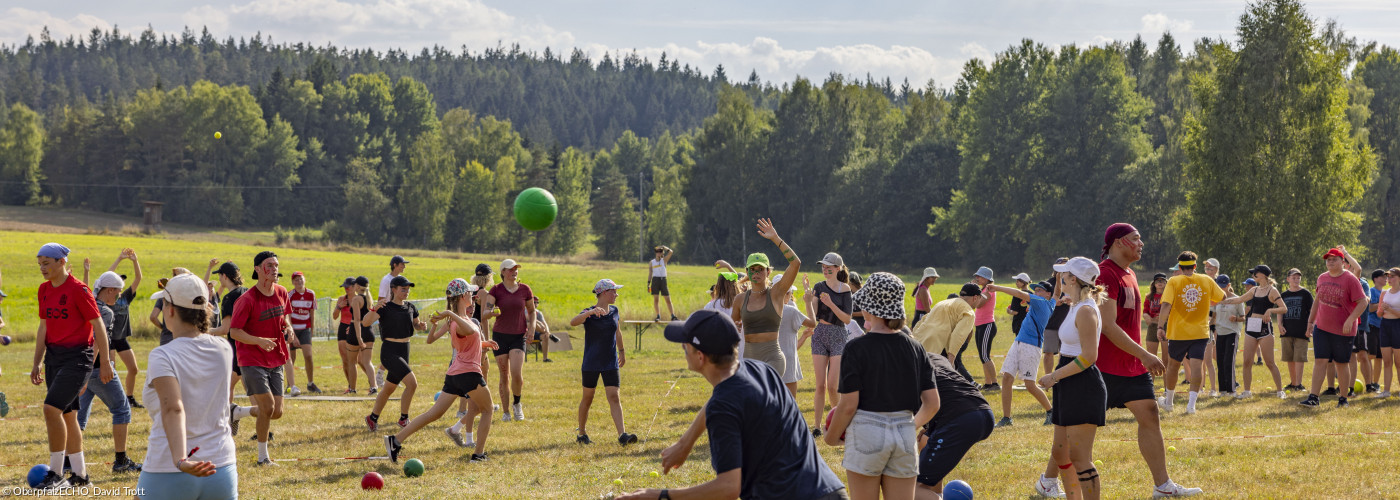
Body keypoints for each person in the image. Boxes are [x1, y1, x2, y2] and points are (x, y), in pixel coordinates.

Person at [1032, 223, 1200, 498]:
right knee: (1070, 434)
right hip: (1102, 366)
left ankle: (1163, 486)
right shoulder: (1107, 274)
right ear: (1118, 243)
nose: (1141, 243)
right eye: (1136, 238)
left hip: (1129, 366)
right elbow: (1108, 326)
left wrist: (1139, 358)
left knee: (1149, 414)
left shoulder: (1130, 273)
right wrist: (1145, 354)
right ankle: (1049, 480)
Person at [616, 310, 848, 500]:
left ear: (700, 357)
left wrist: (661, 495)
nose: (683, 349)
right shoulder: (759, 370)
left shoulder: (724, 405)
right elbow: (721, 400)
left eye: (684, 345)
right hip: (830, 491)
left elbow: (728, 488)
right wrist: (685, 443)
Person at [825, 272, 939, 500]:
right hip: (905, 434)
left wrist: (830, 437)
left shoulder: (856, 348)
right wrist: (908, 425)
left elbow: (848, 405)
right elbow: (933, 403)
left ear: (868, 308)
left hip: (866, 431)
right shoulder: (916, 348)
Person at [134, 273, 239, 499]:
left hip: (168, 469)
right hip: (221, 466)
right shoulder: (223, 348)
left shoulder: (162, 355)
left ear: (170, 310)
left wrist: (181, 460)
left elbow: (174, 407)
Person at [31, 243, 114, 489]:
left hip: (78, 357)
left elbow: (98, 326)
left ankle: (55, 474)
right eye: (40, 264)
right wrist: (37, 361)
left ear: (61, 262)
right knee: (68, 415)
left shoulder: (79, 290)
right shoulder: (44, 290)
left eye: (47, 263)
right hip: (54, 357)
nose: (42, 268)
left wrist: (106, 361)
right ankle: (80, 476)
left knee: (51, 409)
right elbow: (43, 327)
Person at [387, 279, 497, 464]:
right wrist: (449, 314)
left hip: (455, 374)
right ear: (463, 296)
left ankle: (395, 440)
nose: (473, 295)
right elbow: (469, 331)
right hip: (468, 373)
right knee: (487, 410)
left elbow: (464, 343)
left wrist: (484, 344)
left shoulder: (462, 320)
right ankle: (478, 455)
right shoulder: (458, 321)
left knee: (434, 414)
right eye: (470, 292)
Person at [1036, 257, 1107, 500]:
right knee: (1060, 453)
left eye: (1063, 274)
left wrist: (1054, 376)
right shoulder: (1077, 305)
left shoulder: (1086, 310)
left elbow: (1089, 357)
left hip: (1082, 383)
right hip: (1069, 379)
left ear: (1073, 279)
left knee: (1079, 457)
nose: (1059, 277)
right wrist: (1068, 301)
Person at [227, 251, 294, 466]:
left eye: (276, 265)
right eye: (269, 265)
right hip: (251, 358)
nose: (275, 269)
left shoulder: (282, 292)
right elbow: (234, 331)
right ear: (257, 269)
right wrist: (258, 341)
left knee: (276, 412)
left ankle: (237, 412)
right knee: (267, 407)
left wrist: (289, 328)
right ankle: (262, 457)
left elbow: (284, 317)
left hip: (276, 356)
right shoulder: (246, 300)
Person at [76, 270, 143, 473]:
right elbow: (96, 342)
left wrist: (82, 373)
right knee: (122, 410)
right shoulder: (105, 311)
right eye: (118, 292)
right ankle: (121, 461)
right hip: (96, 369)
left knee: (78, 417)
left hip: (82, 368)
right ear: (110, 289)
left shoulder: (87, 304)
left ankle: (69, 460)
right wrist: (92, 370)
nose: (119, 296)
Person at [914, 350, 993, 500]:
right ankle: (938, 494)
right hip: (983, 411)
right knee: (928, 449)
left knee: (910, 489)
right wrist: (930, 427)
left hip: (960, 419)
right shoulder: (935, 357)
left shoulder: (906, 369)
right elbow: (947, 389)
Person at [567, 279, 637, 445]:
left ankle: (622, 435)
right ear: (604, 293)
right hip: (591, 362)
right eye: (614, 291)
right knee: (588, 398)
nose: (616, 294)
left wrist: (622, 351)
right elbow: (573, 322)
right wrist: (589, 314)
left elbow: (618, 332)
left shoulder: (614, 311)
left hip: (610, 362)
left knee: (614, 396)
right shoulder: (589, 312)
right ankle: (582, 434)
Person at [732, 219, 802, 379]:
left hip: (774, 358)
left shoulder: (776, 293)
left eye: (760, 269)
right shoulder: (740, 299)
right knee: (752, 402)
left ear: (768, 272)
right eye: (752, 269)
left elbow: (795, 263)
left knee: (768, 399)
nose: (756, 273)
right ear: (747, 272)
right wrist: (734, 330)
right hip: (749, 359)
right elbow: (732, 331)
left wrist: (775, 238)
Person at [1156, 251, 1224, 415]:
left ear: (1179, 267)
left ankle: (1169, 402)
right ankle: (1191, 406)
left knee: (1173, 367)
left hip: (1178, 332)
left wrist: (1160, 326)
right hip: (1200, 332)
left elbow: (1165, 305)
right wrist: (1204, 302)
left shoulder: (1174, 281)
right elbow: (1220, 298)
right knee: (1196, 367)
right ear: (1195, 266)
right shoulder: (1206, 279)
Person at [1300, 247, 1369, 408]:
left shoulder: (1350, 279)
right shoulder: (1322, 278)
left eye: (1334, 259)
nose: (1330, 262)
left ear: (1342, 262)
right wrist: (1310, 322)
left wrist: (1351, 319)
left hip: (1343, 330)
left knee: (1341, 363)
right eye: (1328, 260)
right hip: (1322, 328)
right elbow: (1317, 301)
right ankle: (1313, 397)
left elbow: (1363, 302)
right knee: (1320, 361)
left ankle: (1343, 398)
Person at [984, 280, 1054, 427]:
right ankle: (1007, 418)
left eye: (1040, 290)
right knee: (1007, 378)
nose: (1036, 293)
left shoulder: (1042, 302)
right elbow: (1057, 295)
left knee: (1029, 385)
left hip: (1031, 346)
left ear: (1048, 294)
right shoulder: (1049, 302)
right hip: (1018, 342)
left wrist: (996, 287)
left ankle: (1050, 411)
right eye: (1035, 290)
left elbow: (1017, 293)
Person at [362, 275, 427, 431]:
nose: (406, 292)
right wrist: (374, 308)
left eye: (408, 289)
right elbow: (365, 322)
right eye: (403, 289)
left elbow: (416, 324)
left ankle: (372, 418)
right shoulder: (385, 307)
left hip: (405, 350)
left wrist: (421, 326)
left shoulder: (411, 307)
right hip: (390, 351)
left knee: (389, 389)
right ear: (394, 289)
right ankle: (404, 419)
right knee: (412, 383)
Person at [82, 249, 144, 409]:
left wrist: (134, 261)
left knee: (133, 368)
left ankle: (127, 397)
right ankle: (114, 399)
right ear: (111, 289)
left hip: (119, 338)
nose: (120, 290)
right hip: (106, 341)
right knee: (108, 370)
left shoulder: (125, 298)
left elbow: (138, 278)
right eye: (118, 286)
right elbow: (105, 279)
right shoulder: (104, 304)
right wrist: (119, 258)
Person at [803, 252, 853, 435]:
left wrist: (831, 304)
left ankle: (838, 424)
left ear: (838, 268)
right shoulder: (818, 286)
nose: (825, 270)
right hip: (820, 334)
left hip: (839, 335)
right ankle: (816, 427)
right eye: (823, 267)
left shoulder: (845, 289)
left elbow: (846, 319)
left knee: (833, 385)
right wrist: (808, 301)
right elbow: (812, 318)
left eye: (828, 267)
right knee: (820, 385)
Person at [1220, 266, 1287, 399]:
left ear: (1262, 275)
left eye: (1255, 273)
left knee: (1269, 362)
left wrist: (1270, 311)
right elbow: (1239, 299)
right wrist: (1221, 301)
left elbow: (1283, 308)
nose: (1254, 275)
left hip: (1264, 329)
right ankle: (1247, 391)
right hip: (1251, 327)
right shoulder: (1254, 289)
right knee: (1247, 361)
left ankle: (1280, 391)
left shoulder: (1272, 291)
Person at [483, 258, 536, 421]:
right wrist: (493, 313)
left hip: (518, 336)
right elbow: (485, 314)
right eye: (511, 269)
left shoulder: (525, 289)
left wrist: (532, 328)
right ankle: (506, 412)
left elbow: (532, 311)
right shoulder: (496, 290)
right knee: (504, 374)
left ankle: (517, 404)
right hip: (500, 337)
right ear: (503, 272)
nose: (515, 271)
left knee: (516, 374)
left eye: (516, 269)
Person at [910, 284, 985, 383]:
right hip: (937, 349)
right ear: (975, 298)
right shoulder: (969, 311)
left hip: (919, 343)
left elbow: (922, 321)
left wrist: (914, 338)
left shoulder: (943, 302)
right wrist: (951, 360)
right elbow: (958, 335)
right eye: (980, 298)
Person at [208, 261, 249, 405]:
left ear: (224, 276)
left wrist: (205, 331)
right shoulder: (248, 291)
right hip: (251, 345)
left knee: (252, 392)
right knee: (227, 386)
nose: (219, 279)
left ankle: (262, 423)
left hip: (238, 349)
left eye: (219, 276)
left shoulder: (228, 298)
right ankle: (228, 418)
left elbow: (225, 329)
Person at [776, 274, 814, 396]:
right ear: (787, 293)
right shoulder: (791, 311)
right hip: (788, 360)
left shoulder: (765, 309)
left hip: (769, 359)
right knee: (790, 403)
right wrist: (808, 302)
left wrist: (803, 337)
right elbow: (812, 323)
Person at [376, 256, 409, 388]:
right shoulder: (386, 280)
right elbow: (381, 299)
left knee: (398, 348)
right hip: (389, 317)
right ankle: (379, 375)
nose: (404, 266)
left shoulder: (399, 280)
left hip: (398, 316)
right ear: (395, 265)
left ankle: (393, 377)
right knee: (390, 347)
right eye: (402, 264)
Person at [1279, 268, 1314, 392]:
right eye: (1293, 277)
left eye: (1298, 277)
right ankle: (1293, 383)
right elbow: (1280, 311)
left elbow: (1312, 311)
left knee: (1299, 358)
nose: (1296, 280)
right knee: (1289, 358)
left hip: (1302, 331)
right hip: (1287, 331)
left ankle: (1299, 384)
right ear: (1288, 279)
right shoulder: (1283, 295)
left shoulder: (1306, 293)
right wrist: (1279, 325)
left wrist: (1311, 326)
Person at [286, 271, 320, 395]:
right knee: (291, 358)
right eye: (296, 280)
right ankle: (290, 385)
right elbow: (287, 316)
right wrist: (292, 334)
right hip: (293, 329)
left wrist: (312, 330)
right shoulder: (290, 295)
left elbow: (312, 313)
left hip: (305, 329)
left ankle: (311, 383)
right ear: (293, 282)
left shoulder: (311, 294)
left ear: (304, 279)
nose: (298, 281)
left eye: (300, 279)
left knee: (308, 355)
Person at [1210, 275, 1244, 398]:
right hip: (1220, 332)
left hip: (1232, 332)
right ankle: (1223, 390)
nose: (1222, 289)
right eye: (1220, 286)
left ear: (1229, 285)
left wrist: (1236, 318)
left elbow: (1243, 317)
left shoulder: (1237, 299)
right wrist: (1210, 322)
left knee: (1228, 361)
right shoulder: (1216, 299)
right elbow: (1213, 314)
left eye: (1224, 286)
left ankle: (1232, 390)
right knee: (1220, 361)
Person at [970, 266, 1000, 390]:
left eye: (980, 276)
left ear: (987, 279)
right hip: (980, 325)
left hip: (987, 325)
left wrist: (975, 292)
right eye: (976, 276)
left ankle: (995, 383)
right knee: (983, 355)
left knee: (985, 356)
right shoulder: (983, 290)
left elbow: (979, 304)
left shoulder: (989, 290)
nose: (977, 278)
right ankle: (988, 383)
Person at [1042, 258, 1072, 377]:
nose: (1062, 270)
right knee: (1048, 353)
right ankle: (1048, 378)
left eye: (1065, 267)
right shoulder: (1048, 284)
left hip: (1068, 324)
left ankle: (1062, 377)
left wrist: (1071, 301)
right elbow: (1041, 300)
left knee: (1066, 354)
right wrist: (1054, 302)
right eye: (1060, 266)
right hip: (1051, 323)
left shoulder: (1072, 282)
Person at [1377, 268, 1400, 397]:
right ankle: (1386, 391)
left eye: (1392, 276)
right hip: (1385, 326)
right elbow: (1379, 314)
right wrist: (1382, 309)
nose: (1389, 279)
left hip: (1398, 326)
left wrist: (1390, 309)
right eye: (1388, 276)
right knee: (1387, 361)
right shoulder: (1384, 293)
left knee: (1398, 362)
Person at [1143, 273, 1168, 373]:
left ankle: (1167, 388)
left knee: (1166, 360)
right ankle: (1150, 387)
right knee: (1151, 358)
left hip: (1166, 326)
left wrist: (1164, 318)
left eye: (1162, 281)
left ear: (1166, 283)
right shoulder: (1149, 297)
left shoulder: (1169, 296)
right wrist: (1147, 317)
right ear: (1154, 284)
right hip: (1153, 326)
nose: (1160, 283)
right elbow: (1145, 311)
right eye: (1157, 281)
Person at [649, 245, 679, 321]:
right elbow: (650, 273)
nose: (658, 253)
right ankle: (658, 316)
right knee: (656, 299)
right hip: (655, 280)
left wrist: (664, 247)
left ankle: (672, 316)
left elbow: (671, 252)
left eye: (660, 251)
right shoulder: (652, 262)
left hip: (663, 280)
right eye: (657, 251)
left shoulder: (664, 260)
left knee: (667, 299)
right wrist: (648, 284)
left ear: (662, 253)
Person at [532, 297, 558, 362]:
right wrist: (539, 322)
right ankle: (549, 335)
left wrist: (547, 332)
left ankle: (545, 359)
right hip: (525, 333)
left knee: (545, 336)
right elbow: (529, 319)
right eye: (534, 302)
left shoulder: (538, 313)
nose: (536, 304)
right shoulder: (525, 310)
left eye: (537, 302)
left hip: (536, 333)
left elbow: (545, 323)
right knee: (532, 323)